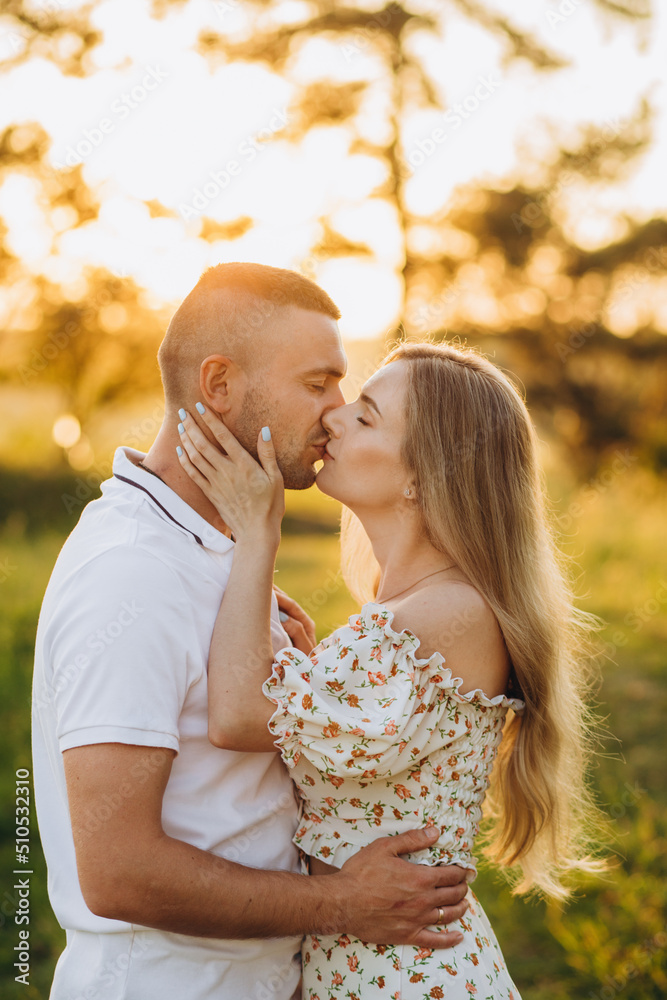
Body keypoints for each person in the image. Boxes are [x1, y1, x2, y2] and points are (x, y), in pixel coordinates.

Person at [31, 264, 470, 1000]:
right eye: (316, 383)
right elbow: (117, 871)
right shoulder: (133, 571)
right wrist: (343, 904)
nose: (336, 412)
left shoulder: (224, 546)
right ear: (220, 385)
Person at [175, 339, 604, 998]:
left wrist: (255, 532)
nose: (335, 415)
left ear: (422, 476)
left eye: (367, 416)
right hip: (364, 971)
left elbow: (236, 716)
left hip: (410, 977)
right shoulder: (406, 612)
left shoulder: (447, 612)